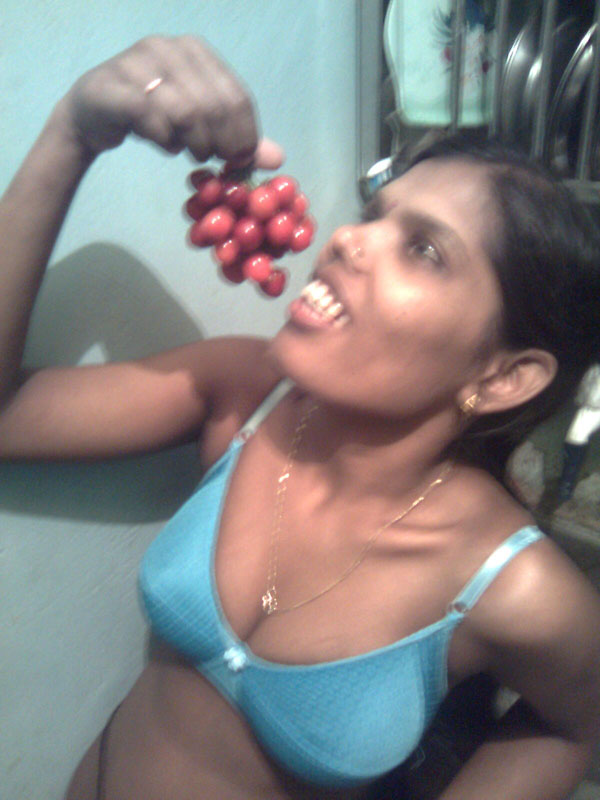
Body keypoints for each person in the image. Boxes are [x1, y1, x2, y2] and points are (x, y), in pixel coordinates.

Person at [2, 35, 600, 800]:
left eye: (423, 250)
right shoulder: (245, 393)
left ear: (503, 376)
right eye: (374, 216)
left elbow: (574, 726)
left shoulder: (512, 589)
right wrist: (72, 134)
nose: (346, 237)